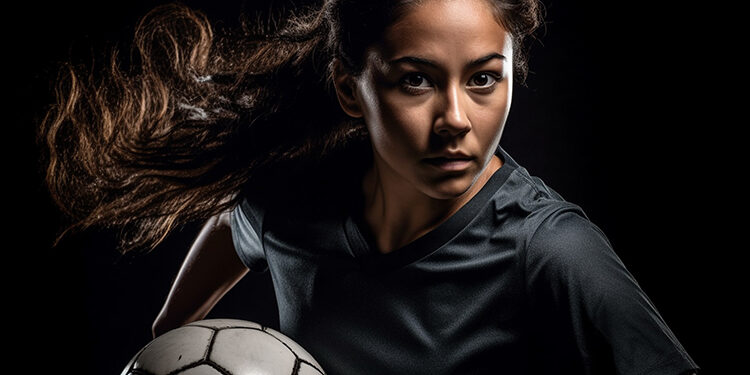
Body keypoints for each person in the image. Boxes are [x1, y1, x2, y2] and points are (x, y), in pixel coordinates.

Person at [40, 0, 701, 374]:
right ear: (348, 90)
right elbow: (201, 277)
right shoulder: (292, 205)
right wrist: (176, 346)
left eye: (483, 78)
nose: (455, 120)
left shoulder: (552, 250)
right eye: (415, 79)